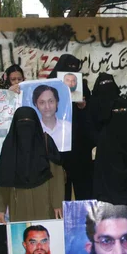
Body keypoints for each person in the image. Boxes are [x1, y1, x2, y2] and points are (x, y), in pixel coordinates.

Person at [0, 107, 64, 222]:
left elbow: (57, 175)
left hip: (44, 198)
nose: (25, 127)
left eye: (29, 122)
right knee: (22, 236)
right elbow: (3, 177)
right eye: (22, 123)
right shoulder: (11, 145)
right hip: (18, 200)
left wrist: (57, 203)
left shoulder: (45, 142)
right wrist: (0, 210)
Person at [49, 54, 92, 201]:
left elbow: (90, 115)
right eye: (68, 67)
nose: (72, 71)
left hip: (79, 145)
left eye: (75, 68)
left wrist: (83, 106)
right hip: (58, 146)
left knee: (83, 187)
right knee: (60, 188)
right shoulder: (51, 85)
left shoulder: (82, 86)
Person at [32, 85, 72, 152]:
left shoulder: (69, 127)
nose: (47, 106)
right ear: (36, 105)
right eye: (42, 102)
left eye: (51, 101)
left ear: (57, 103)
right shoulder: (33, 130)